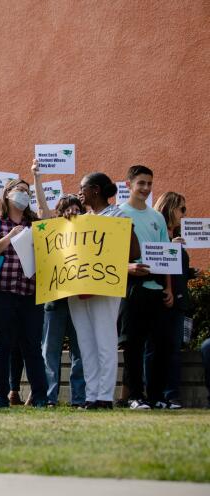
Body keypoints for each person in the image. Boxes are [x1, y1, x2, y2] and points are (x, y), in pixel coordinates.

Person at [70, 172, 139, 410]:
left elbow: (132, 250)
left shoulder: (117, 215)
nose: (79, 192)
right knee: (86, 343)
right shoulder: (79, 218)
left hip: (105, 285)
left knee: (104, 340)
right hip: (78, 288)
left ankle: (105, 396)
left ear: (96, 190)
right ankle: (91, 395)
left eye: (83, 188)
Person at [0, 177, 48, 408]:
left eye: (26, 191)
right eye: (18, 190)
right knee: (1, 344)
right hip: (2, 293)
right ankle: (0, 395)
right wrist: (10, 237)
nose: (23, 194)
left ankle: (40, 396)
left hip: (30, 294)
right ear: (7, 194)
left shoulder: (36, 224)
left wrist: (36, 177)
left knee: (32, 346)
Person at [119, 166, 173, 410]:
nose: (146, 188)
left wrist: (169, 288)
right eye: (141, 183)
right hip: (132, 291)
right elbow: (110, 257)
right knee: (133, 345)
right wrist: (128, 268)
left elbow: (168, 256)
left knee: (159, 344)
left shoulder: (157, 217)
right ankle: (135, 397)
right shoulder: (118, 214)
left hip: (157, 289)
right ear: (129, 184)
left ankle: (156, 397)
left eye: (149, 183)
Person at [37, 193, 86, 407]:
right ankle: (49, 398)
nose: (72, 212)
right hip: (54, 302)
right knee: (50, 351)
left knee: (80, 352)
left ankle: (79, 398)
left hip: (80, 302)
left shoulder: (88, 234)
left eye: (76, 209)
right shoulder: (51, 232)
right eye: (67, 209)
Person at [151, 191, 190, 409]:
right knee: (156, 348)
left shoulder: (177, 235)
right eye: (181, 209)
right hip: (161, 298)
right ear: (169, 208)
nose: (184, 214)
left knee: (173, 349)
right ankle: (155, 395)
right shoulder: (158, 233)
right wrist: (170, 248)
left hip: (179, 300)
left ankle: (171, 395)